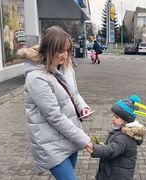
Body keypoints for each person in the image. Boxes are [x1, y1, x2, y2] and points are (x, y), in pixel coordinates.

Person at [17, 26, 93, 180]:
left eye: (67, 51)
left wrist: (82, 106)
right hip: (51, 143)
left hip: (69, 138)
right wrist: (84, 139)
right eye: (60, 51)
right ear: (48, 49)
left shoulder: (64, 68)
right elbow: (54, 116)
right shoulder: (37, 78)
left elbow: (74, 93)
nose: (65, 56)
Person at [86, 95, 146, 180]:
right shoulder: (121, 131)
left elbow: (111, 150)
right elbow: (113, 147)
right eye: (113, 116)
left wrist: (95, 149)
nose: (113, 119)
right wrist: (103, 146)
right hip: (112, 173)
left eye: (116, 117)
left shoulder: (124, 137)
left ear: (126, 120)